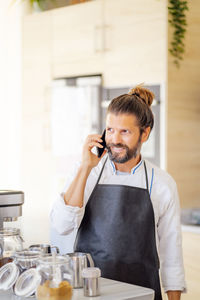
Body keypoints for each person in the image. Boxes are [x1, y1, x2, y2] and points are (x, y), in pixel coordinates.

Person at [50, 86, 186, 300]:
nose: (115, 140)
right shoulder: (88, 171)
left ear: (145, 133)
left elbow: (172, 256)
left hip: (143, 293)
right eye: (110, 129)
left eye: (125, 131)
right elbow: (61, 224)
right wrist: (85, 168)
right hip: (91, 293)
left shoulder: (162, 183)